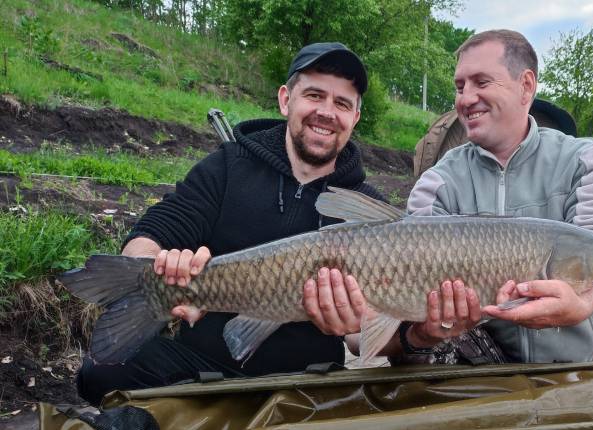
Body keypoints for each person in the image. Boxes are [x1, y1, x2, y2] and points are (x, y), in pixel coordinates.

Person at [76, 42, 383, 405]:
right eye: (314, 95)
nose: (327, 112)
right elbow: (152, 234)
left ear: (354, 119)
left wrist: (355, 324)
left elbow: (364, 338)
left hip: (308, 383)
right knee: (101, 374)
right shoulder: (228, 166)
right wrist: (160, 267)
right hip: (204, 368)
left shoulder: (368, 207)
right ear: (286, 100)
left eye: (342, 103)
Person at [398, 29, 593, 363]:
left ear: (526, 85)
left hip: (582, 368)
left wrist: (581, 304)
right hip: (478, 373)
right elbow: (410, 267)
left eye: (481, 82)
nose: (465, 99)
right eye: (460, 86)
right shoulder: (438, 180)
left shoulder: (588, 160)